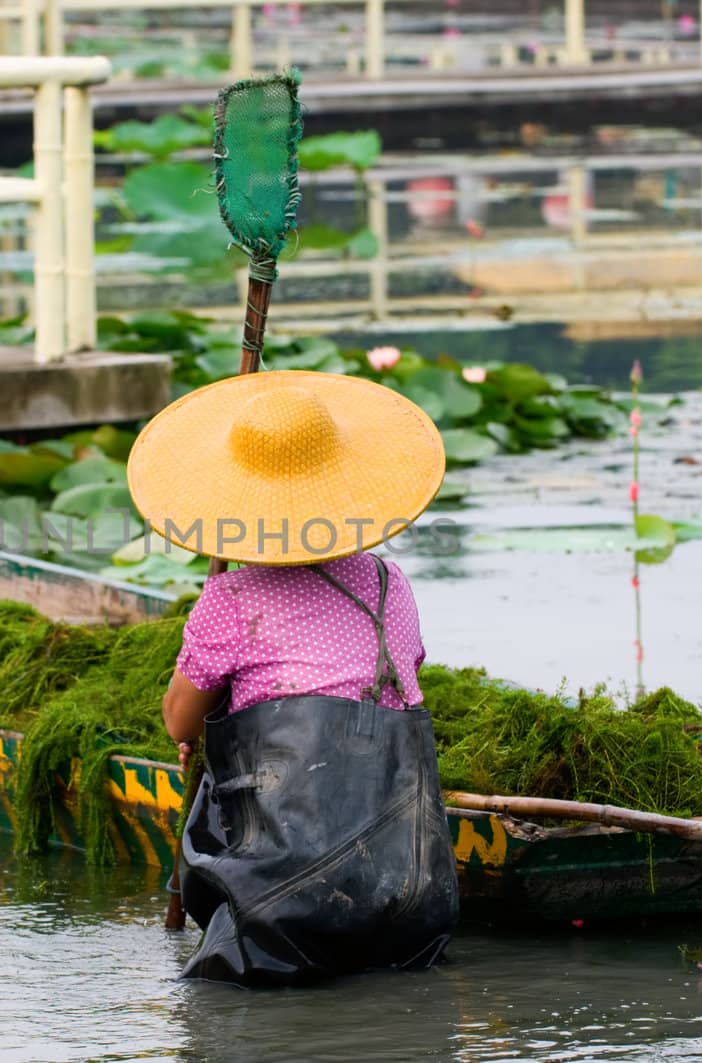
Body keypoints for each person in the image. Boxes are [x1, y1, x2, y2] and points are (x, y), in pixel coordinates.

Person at [125, 369, 461, 987]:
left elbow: (178, 720)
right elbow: (403, 680)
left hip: (280, 913)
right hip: (413, 897)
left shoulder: (228, 598)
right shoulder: (391, 585)